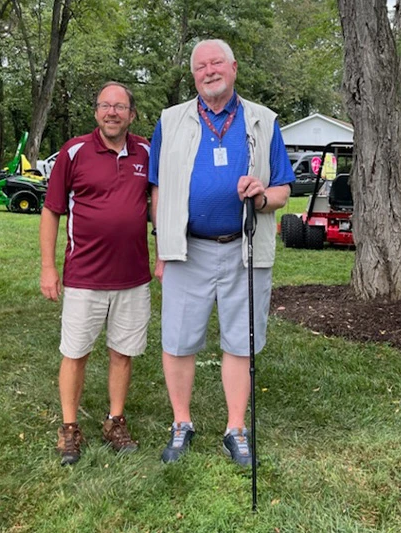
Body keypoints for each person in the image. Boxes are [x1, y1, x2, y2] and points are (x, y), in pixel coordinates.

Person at [148, 39, 295, 466]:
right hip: (185, 250)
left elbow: (284, 189)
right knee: (178, 340)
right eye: (201, 66)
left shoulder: (263, 121)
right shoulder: (170, 121)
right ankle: (181, 423)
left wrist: (262, 196)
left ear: (233, 68)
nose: (209, 70)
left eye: (217, 63)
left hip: (244, 250)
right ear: (193, 75)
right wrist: (161, 246)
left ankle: (236, 428)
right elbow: (156, 189)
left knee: (241, 339)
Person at [40, 81, 152, 466]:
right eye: (105, 105)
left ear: (131, 114)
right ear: (95, 113)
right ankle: (69, 429)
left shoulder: (147, 153)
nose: (112, 112)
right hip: (84, 275)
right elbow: (52, 211)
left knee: (123, 352)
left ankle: (114, 421)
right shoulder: (73, 152)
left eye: (120, 106)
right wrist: (48, 268)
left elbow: (160, 204)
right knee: (75, 352)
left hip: (133, 277)